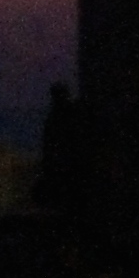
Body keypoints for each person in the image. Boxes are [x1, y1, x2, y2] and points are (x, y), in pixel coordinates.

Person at [35, 79, 92, 229]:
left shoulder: (58, 118)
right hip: (68, 170)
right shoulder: (67, 116)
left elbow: (49, 146)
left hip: (67, 170)